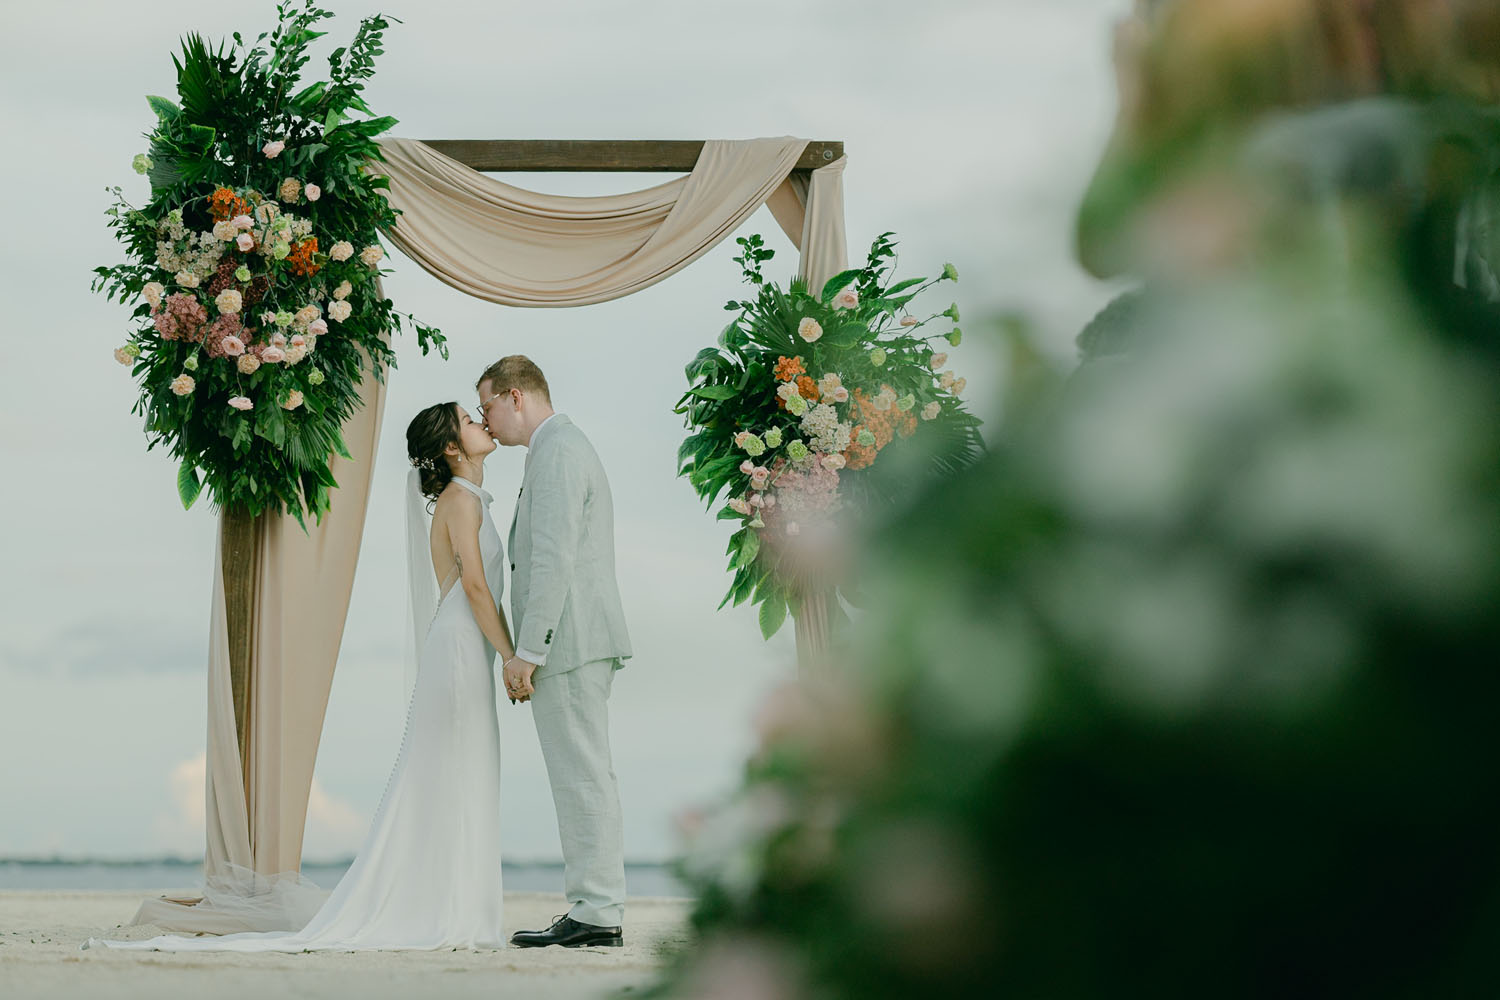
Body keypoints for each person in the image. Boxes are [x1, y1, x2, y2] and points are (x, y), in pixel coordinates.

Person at [85, 402, 515, 952]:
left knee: (463, 772)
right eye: (470, 419)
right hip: (462, 649)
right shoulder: (459, 502)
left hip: (463, 646)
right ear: (452, 447)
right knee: (452, 772)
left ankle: (460, 906)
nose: (482, 421)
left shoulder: (470, 499)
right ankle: (453, 912)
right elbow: (475, 588)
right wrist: (509, 655)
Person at [477, 355, 633, 948]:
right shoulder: (554, 449)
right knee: (582, 774)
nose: (485, 421)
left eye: (487, 405)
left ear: (516, 396)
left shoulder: (560, 450)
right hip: (572, 640)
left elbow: (553, 557)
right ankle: (595, 906)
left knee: (582, 775)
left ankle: (596, 911)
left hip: (567, 641)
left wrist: (528, 652)